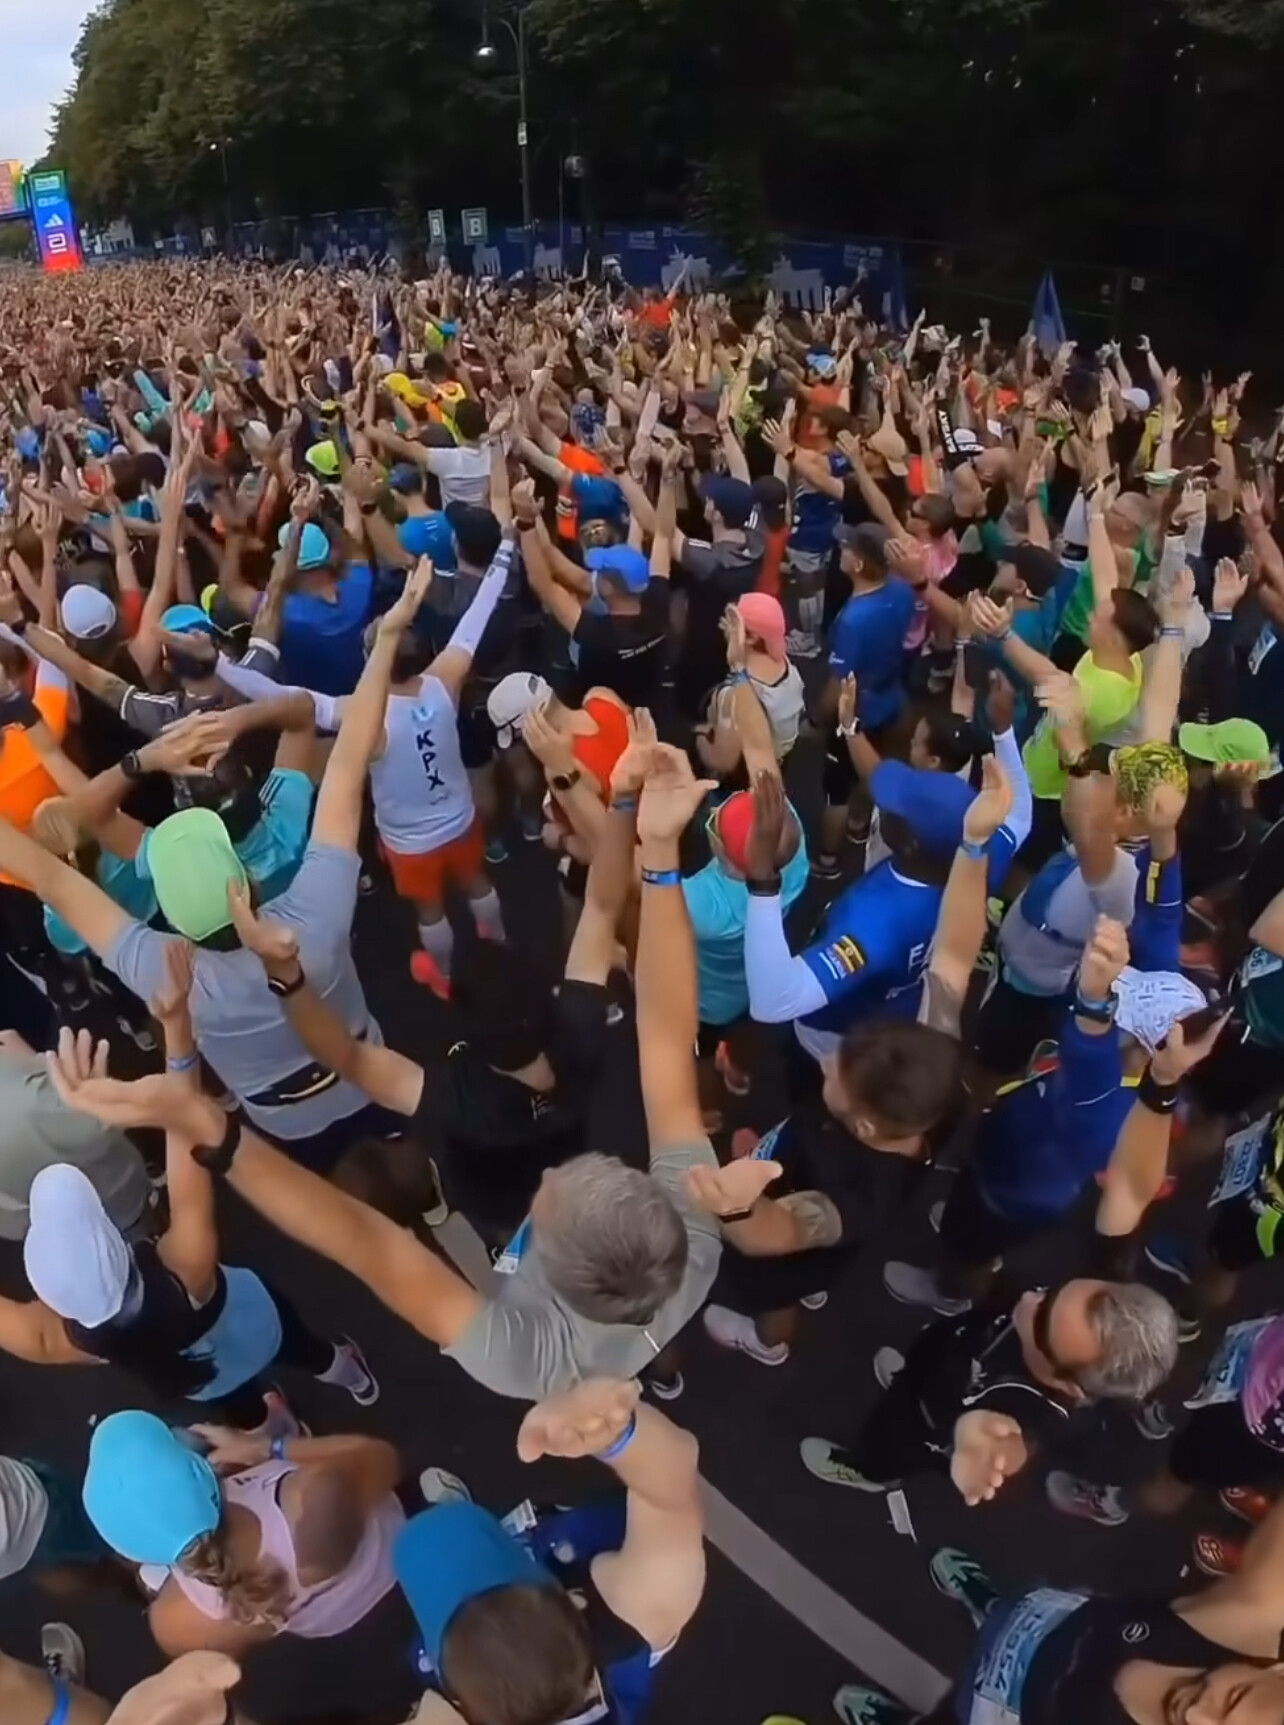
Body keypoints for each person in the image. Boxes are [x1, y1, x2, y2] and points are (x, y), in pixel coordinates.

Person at [0, 566, 435, 1171]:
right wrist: (385, 641)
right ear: (237, 869)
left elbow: (53, 866)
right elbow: (346, 753)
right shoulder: (318, 911)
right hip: (368, 1070)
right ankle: (426, 1189)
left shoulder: (165, 971)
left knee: (323, 1177)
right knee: (403, 1146)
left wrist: (141, 761)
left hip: (279, 1116)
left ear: (168, 910)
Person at [396, 1377, 704, 1725]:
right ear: (573, 1602)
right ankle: (472, 1529)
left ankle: (466, 1525)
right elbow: (669, 1491)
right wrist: (617, 1435)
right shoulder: (640, 1610)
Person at [835, 1486, 1284, 1725]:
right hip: (1037, 1624)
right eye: (1234, 1698)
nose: (1196, 1716)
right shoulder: (1246, 1621)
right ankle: (989, 1610)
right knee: (998, 1631)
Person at [800, 1274, 1179, 1497]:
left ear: (1072, 1386)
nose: (1031, 1299)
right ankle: (907, 1382)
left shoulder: (1035, 1415)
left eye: (1042, 1322)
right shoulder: (1069, 1320)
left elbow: (1005, 1444)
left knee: (888, 1443)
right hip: (943, 1358)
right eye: (1053, 1292)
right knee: (911, 1379)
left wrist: (977, 1443)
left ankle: (872, 1474)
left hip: (928, 1423)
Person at [81, 1409, 403, 1658]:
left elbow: (234, 1646)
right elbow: (382, 1458)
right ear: (198, 1466)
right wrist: (267, 1448)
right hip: (393, 1548)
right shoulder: (314, 1496)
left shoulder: (171, 1623)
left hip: (335, 1618)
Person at [0, 1024, 150, 1241]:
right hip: (123, 1203)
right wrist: (37, 1064)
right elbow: (101, 1121)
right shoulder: (29, 1102)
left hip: (52, 1233)